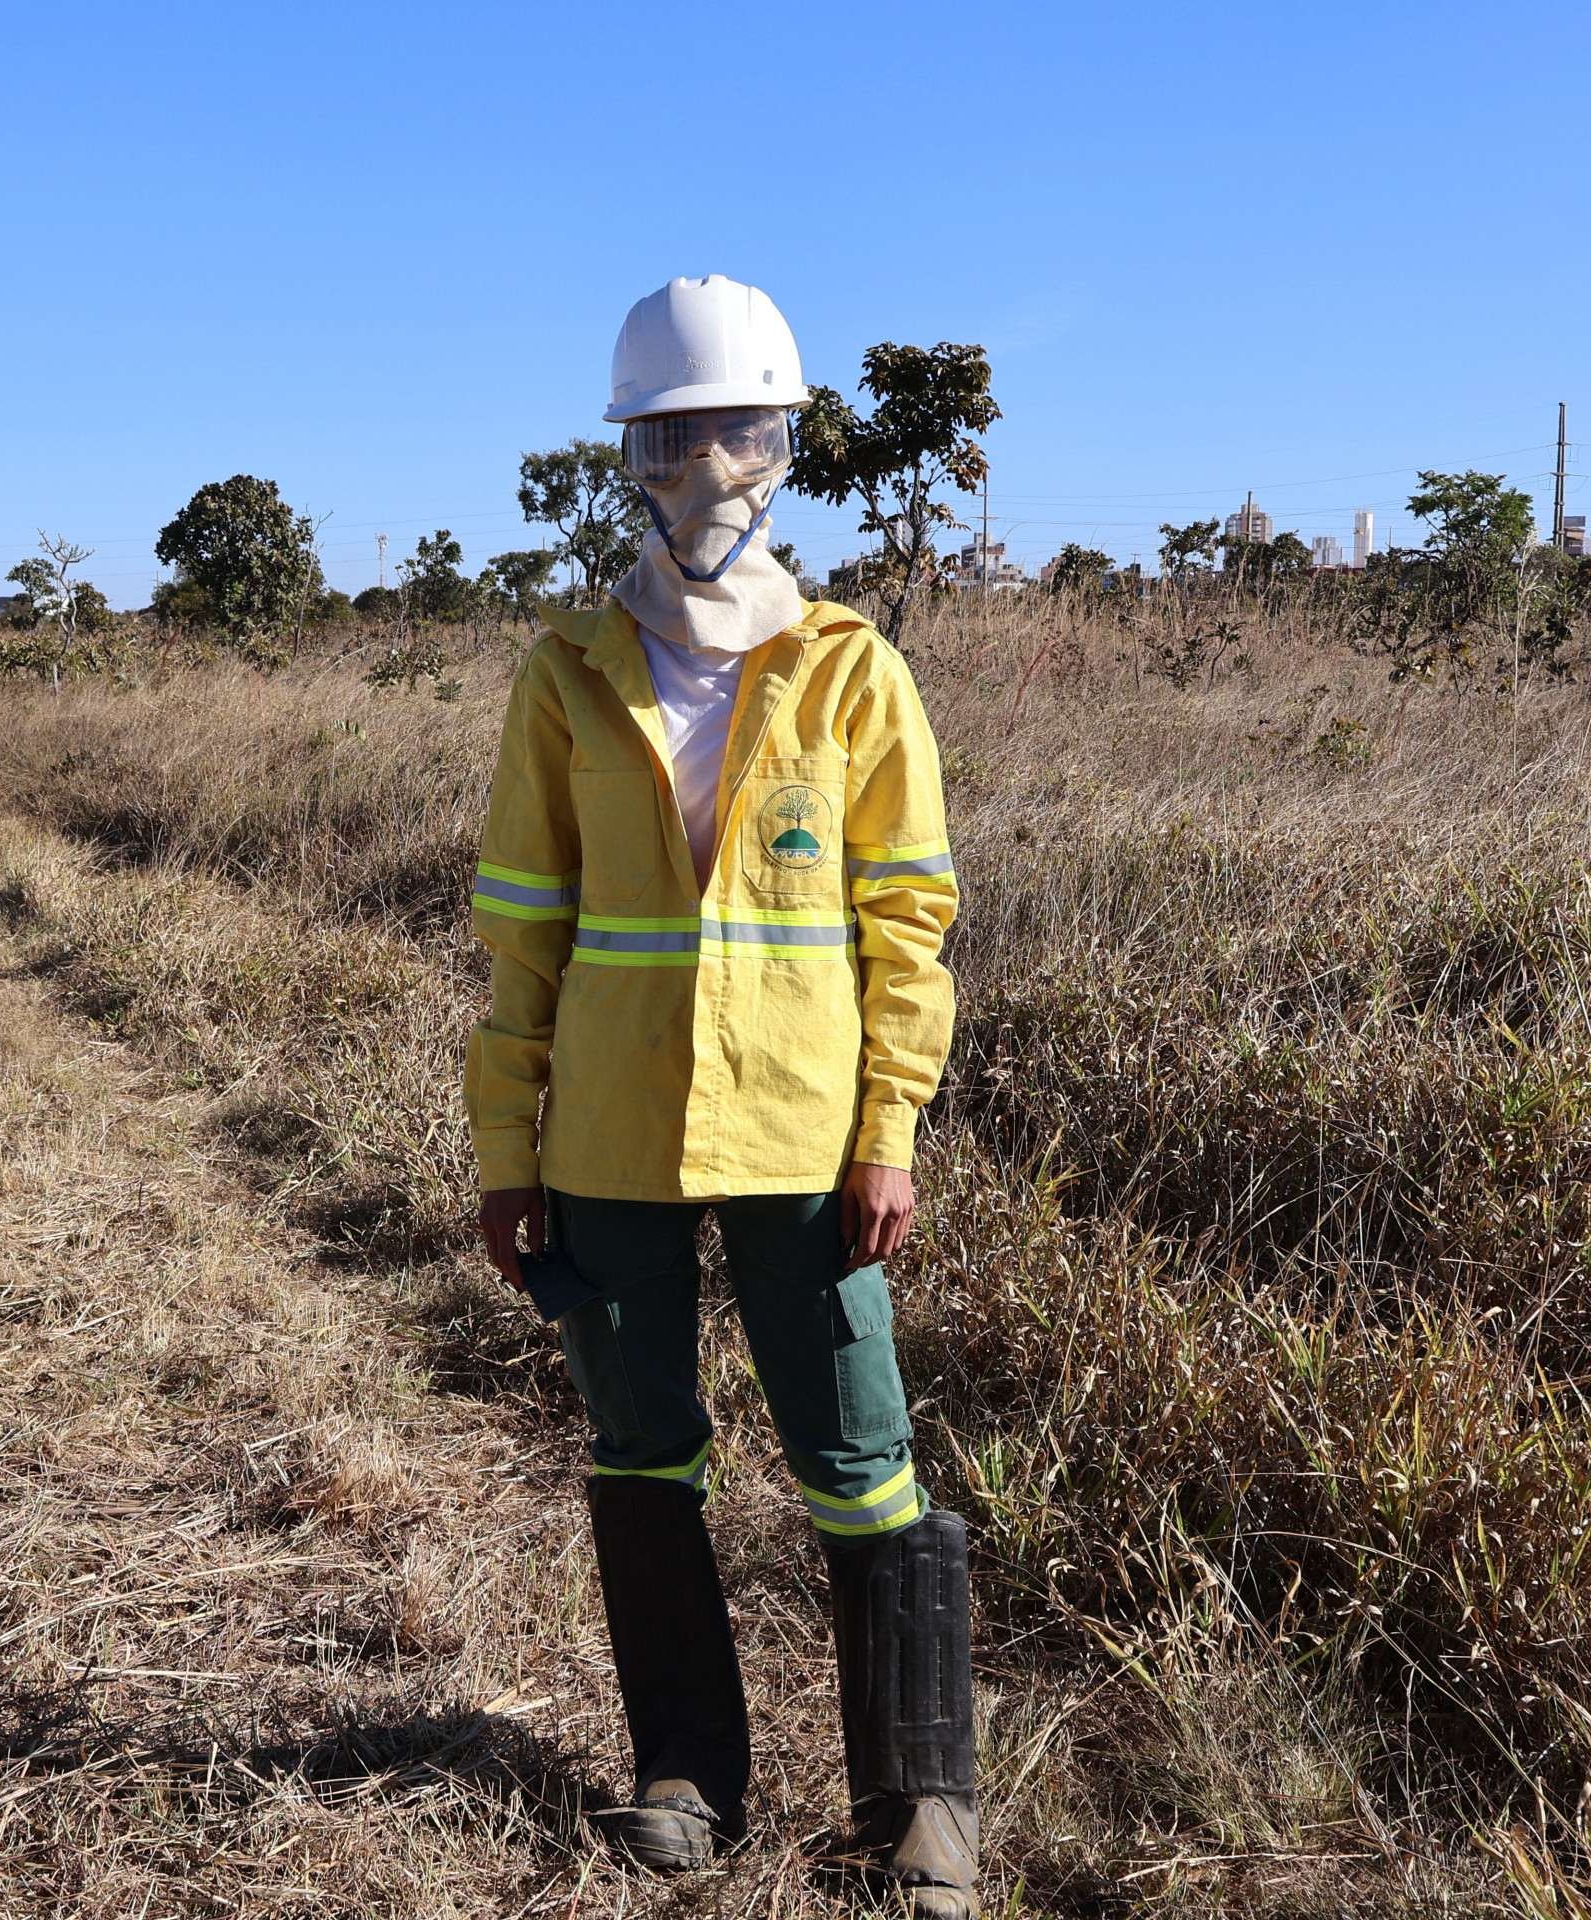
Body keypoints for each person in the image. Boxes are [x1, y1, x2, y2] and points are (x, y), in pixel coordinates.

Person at [463, 275, 974, 1916]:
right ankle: (684, 1775)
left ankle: (919, 1815)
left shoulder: (851, 672)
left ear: (787, 448)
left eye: (739, 432)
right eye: (673, 436)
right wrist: (503, 1148)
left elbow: (909, 925)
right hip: (607, 1135)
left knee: (862, 1459)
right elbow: (523, 933)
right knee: (641, 1453)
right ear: (629, 454)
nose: (708, 470)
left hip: (802, 1137)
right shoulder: (567, 673)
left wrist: (887, 1126)